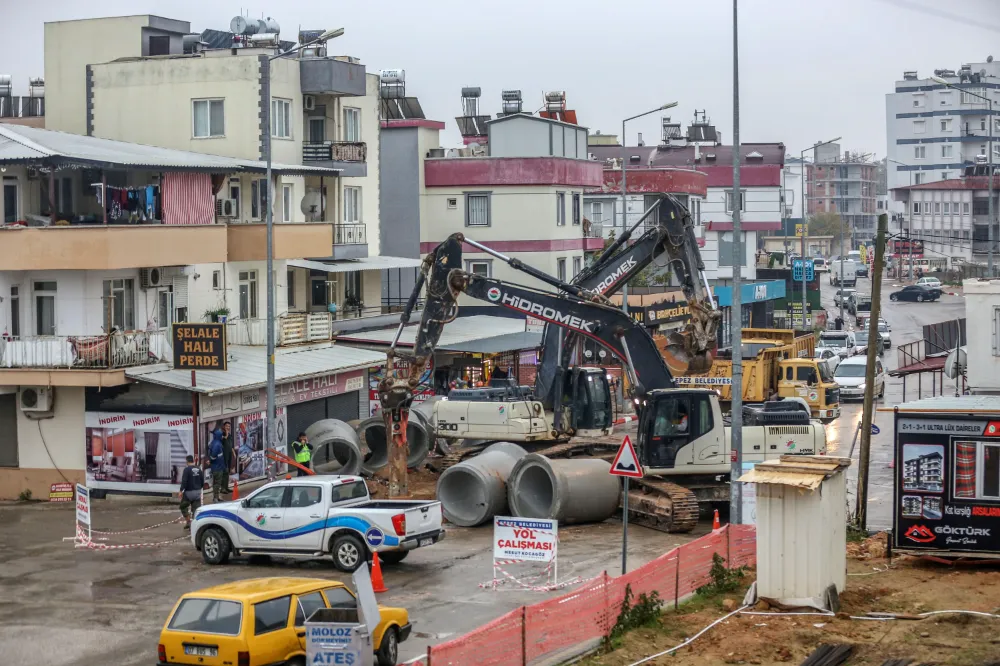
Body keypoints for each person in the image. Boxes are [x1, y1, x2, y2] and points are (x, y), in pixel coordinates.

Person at [178, 454, 204, 530]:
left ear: (187, 461)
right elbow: (202, 481)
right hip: (198, 492)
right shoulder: (199, 469)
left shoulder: (187, 469)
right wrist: (199, 489)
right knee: (196, 510)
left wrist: (181, 491)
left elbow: (184, 481)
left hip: (189, 493)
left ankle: (189, 522)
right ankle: (195, 526)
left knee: (183, 507)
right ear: (193, 460)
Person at [208, 428, 226, 502]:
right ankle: (215, 498)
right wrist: (212, 460)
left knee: (217, 483)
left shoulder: (215, 442)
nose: (222, 437)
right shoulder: (217, 444)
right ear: (219, 436)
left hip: (218, 466)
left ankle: (217, 497)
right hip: (217, 467)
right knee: (217, 483)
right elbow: (213, 455)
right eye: (221, 435)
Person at [220, 421, 234, 493]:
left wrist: (234, 453)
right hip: (224, 456)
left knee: (227, 471)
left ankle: (226, 487)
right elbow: (224, 439)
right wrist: (226, 433)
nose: (228, 427)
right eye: (226, 426)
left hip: (229, 455)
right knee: (224, 472)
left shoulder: (230, 435)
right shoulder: (222, 435)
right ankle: (222, 488)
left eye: (229, 426)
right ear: (224, 427)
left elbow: (231, 446)